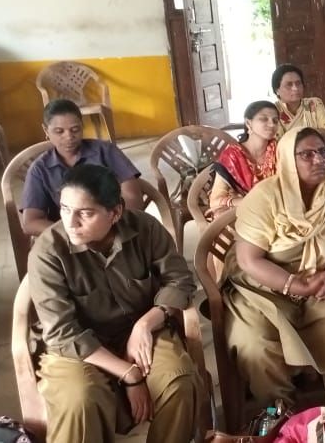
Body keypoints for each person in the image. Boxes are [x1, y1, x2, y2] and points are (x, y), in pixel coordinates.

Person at [29, 164, 198, 443]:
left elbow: (180, 281)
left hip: (140, 330)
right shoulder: (48, 251)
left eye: (86, 213)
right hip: (78, 346)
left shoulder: (145, 228)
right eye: (65, 209)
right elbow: (62, 332)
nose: (71, 222)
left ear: (115, 212)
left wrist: (145, 324)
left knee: (178, 381)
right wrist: (130, 374)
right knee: (79, 400)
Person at [224, 127, 325, 411]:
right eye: (307, 154)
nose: (319, 160)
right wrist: (297, 285)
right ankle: (282, 416)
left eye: (322, 152)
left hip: (322, 277)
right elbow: (248, 259)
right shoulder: (264, 197)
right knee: (254, 344)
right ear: (287, 159)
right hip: (263, 285)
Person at [22, 99, 143, 237]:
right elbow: (31, 222)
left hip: (113, 229)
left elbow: (132, 195)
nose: (69, 137)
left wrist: (115, 227)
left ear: (82, 126)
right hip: (69, 238)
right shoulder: (40, 169)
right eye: (59, 131)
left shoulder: (105, 151)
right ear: (46, 130)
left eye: (75, 129)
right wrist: (74, 232)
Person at [208, 100, 279, 218]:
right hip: (239, 212)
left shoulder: (280, 150)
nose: (271, 124)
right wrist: (250, 203)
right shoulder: (232, 156)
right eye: (264, 119)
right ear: (248, 123)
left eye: (275, 120)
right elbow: (216, 201)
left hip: (274, 209)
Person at [271, 64, 325, 141]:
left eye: (298, 83)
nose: (295, 88)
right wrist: (314, 135)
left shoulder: (314, 103)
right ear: (277, 90)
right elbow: (277, 141)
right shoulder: (273, 110)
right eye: (289, 84)